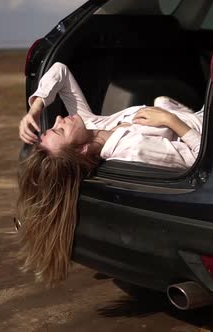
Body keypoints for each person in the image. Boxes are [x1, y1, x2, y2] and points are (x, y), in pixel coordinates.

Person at [16, 62, 203, 284]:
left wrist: (35, 109)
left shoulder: (91, 125)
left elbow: (60, 70)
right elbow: (201, 157)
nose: (58, 118)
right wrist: (169, 120)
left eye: (55, 125)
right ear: (82, 150)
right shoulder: (133, 149)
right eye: (60, 129)